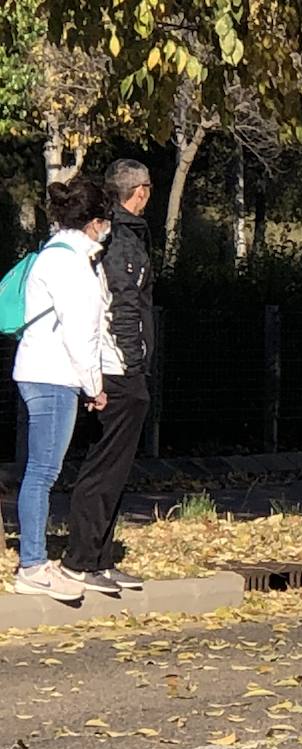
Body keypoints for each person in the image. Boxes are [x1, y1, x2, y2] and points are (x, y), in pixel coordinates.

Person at [10, 177, 111, 602]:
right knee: (43, 473)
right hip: (55, 374)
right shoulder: (74, 265)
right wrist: (95, 384)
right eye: (105, 222)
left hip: (37, 368)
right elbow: (80, 332)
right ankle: (32, 565)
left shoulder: (51, 254)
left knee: (39, 471)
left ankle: (36, 559)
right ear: (94, 222)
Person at [59, 159, 156, 595]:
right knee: (104, 467)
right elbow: (122, 307)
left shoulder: (123, 236)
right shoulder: (122, 242)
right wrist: (134, 363)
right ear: (142, 191)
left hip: (117, 367)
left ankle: (97, 558)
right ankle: (82, 560)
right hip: (117, 370)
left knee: (113, 469)